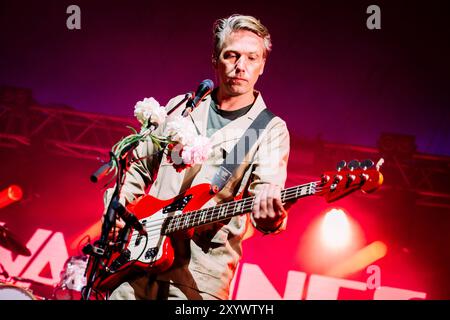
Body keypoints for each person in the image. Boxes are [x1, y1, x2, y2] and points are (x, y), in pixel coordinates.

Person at [105, 14, 291, 300]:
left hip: (200, 276)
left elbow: (267, 193)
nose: (241, 66)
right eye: (232, 55)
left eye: (252, 58)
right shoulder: (182, 106)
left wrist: (272, 217)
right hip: (138, 258)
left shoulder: (269, 129)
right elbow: (137, 167)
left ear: (262, 65)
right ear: (215, 60)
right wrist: (117, 211)